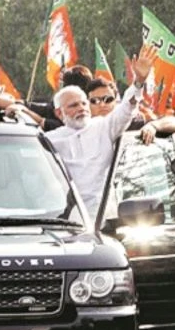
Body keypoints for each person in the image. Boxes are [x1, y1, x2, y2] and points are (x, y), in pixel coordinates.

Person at [45, 45, 156, 219]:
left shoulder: (102, 127)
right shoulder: (48, 141)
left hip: (104, 219)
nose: (81, 108)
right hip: (64, 220)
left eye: (83, 103)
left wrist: (139, 82)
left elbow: (127, 108)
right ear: (59, 113)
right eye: (74, 105)